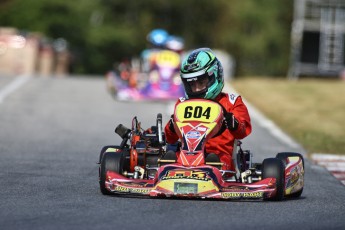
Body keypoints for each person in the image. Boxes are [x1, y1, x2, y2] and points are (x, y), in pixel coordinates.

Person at [164, 48, 252, 171]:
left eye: (201, 82)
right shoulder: (182, 103)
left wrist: (233, 123)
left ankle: (207, 170)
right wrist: (172, 127)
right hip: (186, 156)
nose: (196, 89)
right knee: (170, 158)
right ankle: (170, 170)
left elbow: (243, 130)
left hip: (220, 158)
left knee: (212, 160)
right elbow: (170, 138)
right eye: (191, 84)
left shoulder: (232, 102)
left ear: (215, 76)